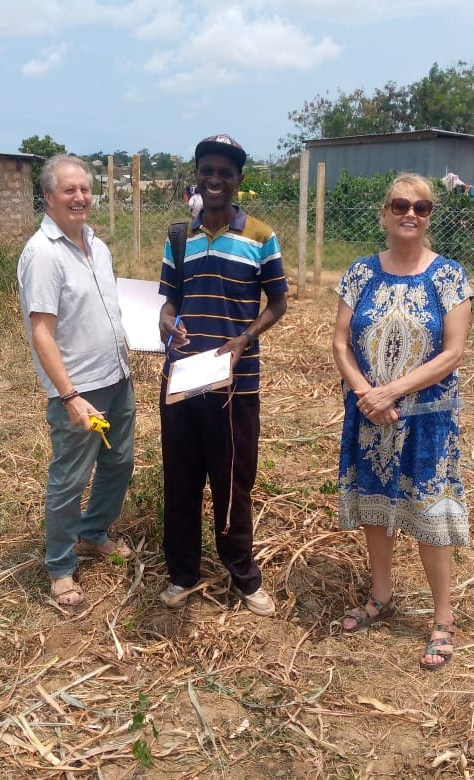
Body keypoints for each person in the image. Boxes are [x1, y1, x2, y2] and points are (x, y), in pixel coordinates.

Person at [331, 173, 473, 670]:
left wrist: (392, 390)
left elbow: (453, 352)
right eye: (400, 204)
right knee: (375, 509)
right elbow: (341, 342)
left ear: (431, 215)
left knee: (429, 518)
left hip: (426, 418)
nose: (410, 213)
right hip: (370, 414)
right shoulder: (360, 273)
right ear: (385, 212)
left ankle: (442, 619)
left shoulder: (449, 277)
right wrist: (367, 394)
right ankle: (382, 596)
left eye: (422, 206)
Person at [157, 134, 288, 616]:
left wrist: (243, 339)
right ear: (196, 174)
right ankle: (183, 574)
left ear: (238, 180)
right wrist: (167, 319)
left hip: (236, 382)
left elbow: (278, 304)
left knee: (234, 482)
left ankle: (243, 576)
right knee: (181, 480)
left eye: (225, 173)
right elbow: (170, 298)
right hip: (183, 376)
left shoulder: (260, 236)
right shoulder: (178, 236)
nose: (215, 180)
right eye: (207, 170)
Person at [17, 154, 135, 608]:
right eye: (69, 190)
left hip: (116, 376)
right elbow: (42, 333)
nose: (80, 197)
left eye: (85, 189)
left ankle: (92, 532)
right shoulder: (42, 254)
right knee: (70, 477)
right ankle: (61, 567)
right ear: (48, 197)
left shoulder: (95, 245)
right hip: (80, 388)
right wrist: (69, 396)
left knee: (119, 463)